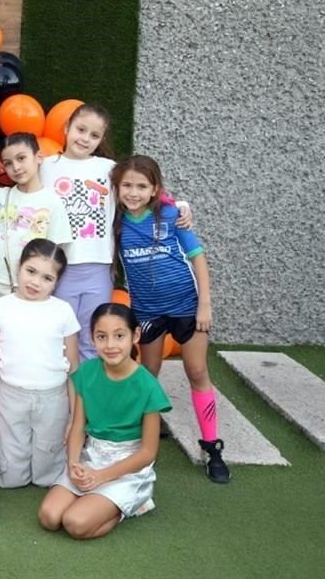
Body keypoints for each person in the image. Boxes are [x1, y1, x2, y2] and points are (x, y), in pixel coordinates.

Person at [111, 155, 230, 483]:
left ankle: (211, 446)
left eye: (141, 186)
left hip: (186, 307)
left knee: (196, 370)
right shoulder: (115, 221)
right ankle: (142, 437)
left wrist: (204, 304)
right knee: (148, 374)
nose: (133, 192)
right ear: (117, 188)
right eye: (127, 185)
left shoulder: (170, 215)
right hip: (147, 313)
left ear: (154, 190)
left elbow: (198, 258)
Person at [40, 104, 191, 361]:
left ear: (100, 139)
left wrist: (178, 205)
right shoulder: (45, 166)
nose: (85, 138)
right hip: (58, 267)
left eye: (94, 135)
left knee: (92, 339)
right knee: (60, 340)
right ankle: (61, 400)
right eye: (80, 129)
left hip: (97, 268)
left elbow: (142, 190)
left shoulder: (109, 169)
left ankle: (87, 401)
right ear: (66, 128)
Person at [37, 303, 171, 539]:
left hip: (127, 465)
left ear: (135, 335)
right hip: (92, 455)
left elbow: (148, 452)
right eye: (101, 336)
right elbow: (78, 427)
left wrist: (101, 477)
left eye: (119, 336)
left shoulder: (148, 386)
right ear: (92, 338)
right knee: (49, 517)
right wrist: (73, 464)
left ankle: (133, 504)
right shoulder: (87, 373)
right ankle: (97, 501)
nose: (110, 345)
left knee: (75, 524)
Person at [0, 239, 80, 488]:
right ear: (20, 266)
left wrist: (74, 415)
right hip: (10, 396)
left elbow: (73, 367)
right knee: (11, 476)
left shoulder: (63, 311)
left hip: (53, 398)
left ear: (57, 282)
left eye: (47, 278)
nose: (36, 282)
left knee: (48, 473)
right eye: (31, 271)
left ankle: (49, 470)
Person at [0, 132, 74, 340]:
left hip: (23, 286)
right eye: (8, 163)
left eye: (21, 158)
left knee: (15, 342)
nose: (16, 167)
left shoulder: (52, 203)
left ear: (38, 157)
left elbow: (56, 254)